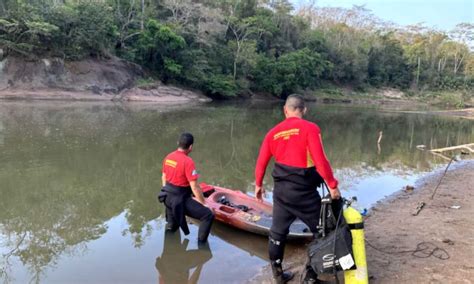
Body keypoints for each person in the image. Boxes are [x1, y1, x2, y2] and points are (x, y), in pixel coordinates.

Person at [254, 94, 341, 284]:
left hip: (282, 193)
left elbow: (261, 162)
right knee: (322, 232)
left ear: (285, 110)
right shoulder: (310, 128)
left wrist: (258, 185)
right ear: (304, 110)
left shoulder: (273, 133)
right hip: (303, 193)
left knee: (277, 232)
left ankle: (278, 276)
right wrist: (333, 185)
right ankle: (310, 277)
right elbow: (320, 160)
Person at [159, 132, 214, 244]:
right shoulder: (188, 161)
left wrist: (166, 191)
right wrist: (203, 203)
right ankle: (201, 246)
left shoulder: (168, 157)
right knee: (208, 215)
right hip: (179, 200)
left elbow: (163, 177)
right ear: (190, 147)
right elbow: (194, 186)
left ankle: (169, 254)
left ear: (178, 143)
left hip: (166, 197)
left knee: (172, 227)